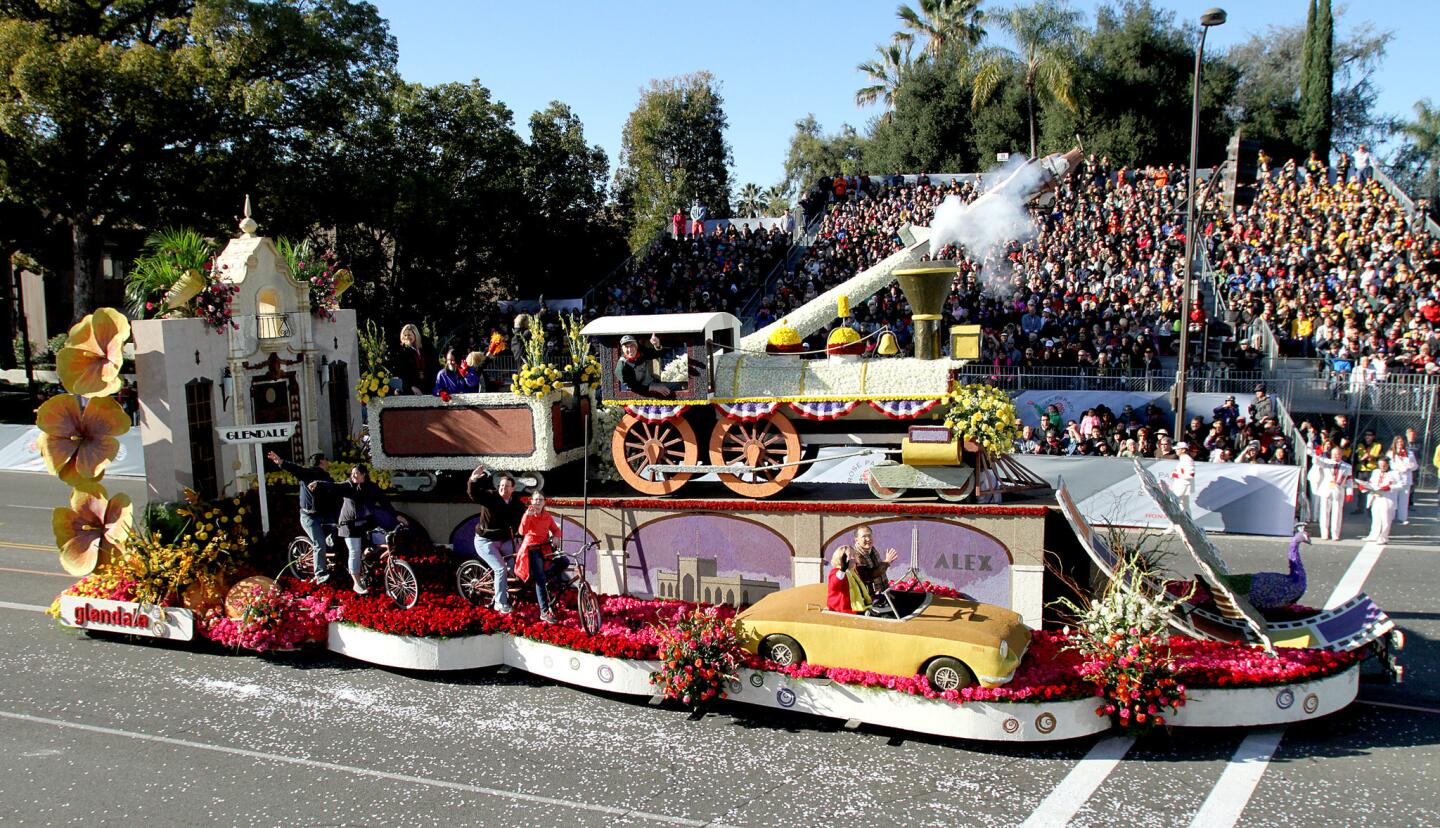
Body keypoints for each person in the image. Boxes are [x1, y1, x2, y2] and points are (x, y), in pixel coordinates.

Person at [311, 465, 403, 594]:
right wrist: (318, 484)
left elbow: (384, 502)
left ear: (364, 474)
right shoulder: (348, 486)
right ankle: (357, 583)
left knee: (380, 540)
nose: (353, 475)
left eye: (357, 473)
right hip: (349, 524)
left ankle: (365, 560)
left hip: (366, 523)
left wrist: (396, 516)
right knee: (354, 551)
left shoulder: (372, 488)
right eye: (352, 473)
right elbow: (334, 485)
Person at [267, 450, 335, 582]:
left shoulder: (327, 477)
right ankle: (320, 574)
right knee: (319, 543)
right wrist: (280, 462)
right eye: (326, 460)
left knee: (340, 530)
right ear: (321, 461)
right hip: (309, 518)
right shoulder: (308, 474)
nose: (328, 462)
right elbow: (295, 469)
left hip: (323, 515)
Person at [467, 464, 526, 613]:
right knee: (500, 569)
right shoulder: (491, 497)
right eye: (500, 485)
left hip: (504, 540)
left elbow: (525, 521)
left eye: (506, 486)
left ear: (513, 488)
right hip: (485, 541)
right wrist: (473, 480)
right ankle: (500, 603)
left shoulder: (517, 504)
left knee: (520, 557)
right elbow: (474, 494)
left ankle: (514, 590)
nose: (502, 488)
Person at [515, 491, 559, 623]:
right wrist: (526, 517)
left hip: (545, 547)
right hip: (531, 548)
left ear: (544, 502)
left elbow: (556, 529)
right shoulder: (528, 514)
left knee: (564, 561)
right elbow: (522, 532)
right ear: (531, 501)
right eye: (536, 500)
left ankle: (544, 578)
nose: (538, 502)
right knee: (540, 578)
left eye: (540, 500)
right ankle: (544, 612)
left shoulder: (547, 515)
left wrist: (557, 536)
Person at [1312, 446, 1353, 541]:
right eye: (1334, 454)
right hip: (1326, 489)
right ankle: (1324, 533)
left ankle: (1335, 533)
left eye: (1338, 454)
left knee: (1337, 512)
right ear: (1331, 455)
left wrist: (1349, 492)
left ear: (1341, 455)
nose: (1336, 456)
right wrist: (1317, 454)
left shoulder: (1347, 466)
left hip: (1339, 490)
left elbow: (1349, 480)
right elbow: (1316, 461)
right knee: (1324, 511)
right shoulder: (1326, 462)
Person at [616, 333, 676, 397]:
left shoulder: (640, 353)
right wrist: (653, 387)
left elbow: (655, 354)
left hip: (652, 383)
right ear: (622, 348)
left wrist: (657, 345)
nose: (630, 350)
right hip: (637, 394)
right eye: (626, 347)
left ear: (636, 346)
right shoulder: (622, 367)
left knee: (676, 386)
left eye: (632, 345)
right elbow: (633, 387)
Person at [850, 525, 898, 598]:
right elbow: (868, 576)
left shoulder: (872, 550)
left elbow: (879, 571)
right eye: (864, 536)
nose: (868, 539)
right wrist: (886, 562)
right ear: (856, 540)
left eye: (869, 535)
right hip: (867, 597)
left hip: (881, 593)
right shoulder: (856, 556)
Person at [1360, 456, 1401, 543]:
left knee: (1385, 518)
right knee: (1376, 517)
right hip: (1376, 497)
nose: (1382, 467)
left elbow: (1400, 485)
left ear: (1388, 465)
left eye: (1384, 465)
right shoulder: (1375, 472)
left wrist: (1389, 487)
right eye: (1380, 465)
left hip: (1387, 498)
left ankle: (1383, 537)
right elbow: (1372, 482)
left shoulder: (1394, 473)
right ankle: (1374, 535)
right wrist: (1365, 486)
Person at [825, 545, 870, 614]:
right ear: (841, 558)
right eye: (850, 556)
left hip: (857, 610)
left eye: (854, 555)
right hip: (841, 612)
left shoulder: (852, 573)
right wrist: (842, 569)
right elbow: (834, 585)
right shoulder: (836, 572)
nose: (853, 558)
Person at [1387, 437, 1419, 525]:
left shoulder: (1410, 453)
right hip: (1395, 479)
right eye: (1398, 442)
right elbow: (1392, 466)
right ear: (1395, 443)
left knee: (1404, 499)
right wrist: (1403, 467)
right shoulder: (1390, 453)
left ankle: (1402, 518)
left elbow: (1415, 466)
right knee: (1393, 499)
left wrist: (1410, 466)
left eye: (1401, 442)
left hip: (1406, 479)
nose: (1400, 444)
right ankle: (1391, 517)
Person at [394, 323, 425, 395]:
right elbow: (402, 373)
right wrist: (411, 386)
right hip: (409, 389)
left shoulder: (421, 350)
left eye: (409, 335)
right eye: (405, 335)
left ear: (415, 335)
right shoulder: (402, 351)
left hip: (423, 386)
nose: (407, 337)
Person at [1170, 442, 1196, 517]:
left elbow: (1190, 474)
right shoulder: (1183, 459)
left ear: (1183, 450)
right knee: (1184, 506)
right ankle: (1186, 525)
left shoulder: (1187, 459)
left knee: (1175, 504)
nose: (1176, 450)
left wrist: (1177, 475)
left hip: (1183, 485)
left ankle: (1175, 525)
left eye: (1178, 449)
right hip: (1182, 485)